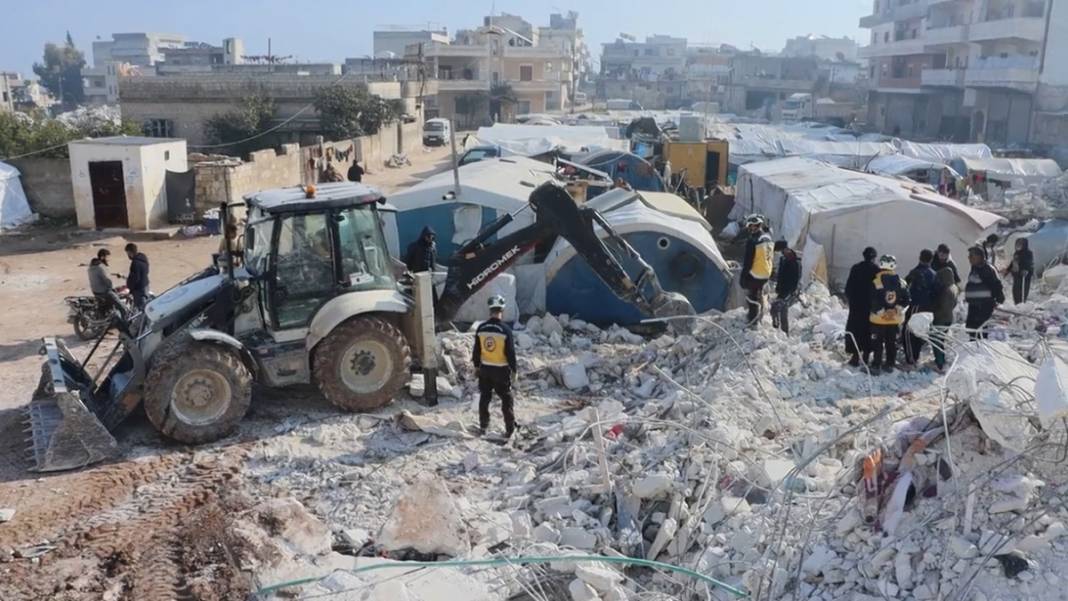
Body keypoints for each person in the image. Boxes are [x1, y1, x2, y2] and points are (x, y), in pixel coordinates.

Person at [472, 295, 517, 438]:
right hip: (501, 370)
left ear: (489, 309)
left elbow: (477, 350)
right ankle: (510, 429)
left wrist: (476, 366)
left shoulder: (481, 328)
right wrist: (514, 370)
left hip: (485, 369)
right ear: (502, 310)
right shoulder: (505, 330)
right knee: (506, 399)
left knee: (485, 397)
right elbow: (510, 352)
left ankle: (483, 426)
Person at [869, 255, 910, 374]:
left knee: (878, 342)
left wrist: (882, 311)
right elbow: (907, 299)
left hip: (879, 319)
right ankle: (890, 364)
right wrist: (897, 308)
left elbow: (872, 299)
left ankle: (876, 365)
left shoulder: (876, 281)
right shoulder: (901, 282)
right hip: (894, 319)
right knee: (891, 342)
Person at [845, 247, 880, 367]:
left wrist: (851, 301)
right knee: (868, 331)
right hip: (870, 307)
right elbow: (879, 289)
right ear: (874, 257)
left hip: (856, 306)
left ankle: (855, 357)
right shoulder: (876, 270)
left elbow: (848, 288)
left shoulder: (856, 268)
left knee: (855, 330)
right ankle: (866, 356)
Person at [903, 249, 938, 366]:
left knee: (908, 331)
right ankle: (916, 356)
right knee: (919, 331)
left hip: (916, 305)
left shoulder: (916, 272)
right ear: (931, 259)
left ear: (920, 257)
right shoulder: (934, 273)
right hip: (929, 308)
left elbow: (904, 284)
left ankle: (910, 359)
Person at [740, 214, 774, 327]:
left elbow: (748, 262)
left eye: (752, 226)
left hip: (756, 273)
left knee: (752, 295)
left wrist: (743, 277)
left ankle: (753, 319)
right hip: (766, 272)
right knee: (760, 293)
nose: (751, 229)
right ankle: (760, 315)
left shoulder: (752, 241)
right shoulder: (768, 237)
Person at [964, 246, 1005, 339]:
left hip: (984, 305)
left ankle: (980, 348)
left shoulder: (987, 269)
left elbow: (996, 285)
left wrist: (997, 299)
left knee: (981, 329)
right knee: (972, 329)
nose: (969, 258)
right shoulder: (974, 268)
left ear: (979, 257)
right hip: (974, 305)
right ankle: (973, 346)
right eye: (969, 256)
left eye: (972, 256)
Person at [931, 265, 959, 373]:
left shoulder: (946, 290)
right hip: (949, 317)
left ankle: (939, 363)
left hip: (941, 318)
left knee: (935, 340)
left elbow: (943, 306)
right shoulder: (954, 287)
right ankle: (941, 359)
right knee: (941, 339)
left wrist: (934, 312)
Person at [771, 241, 800, 335]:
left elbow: (796, 279)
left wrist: (792, 292)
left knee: (778, 309)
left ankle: (783, 332)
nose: (781, 253)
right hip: (782, 290)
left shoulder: (795, 262)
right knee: (779, 310)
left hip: (788, 291)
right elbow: (780, 275)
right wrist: (778, 287)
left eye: (781, 251)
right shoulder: (783, 259)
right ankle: (781, 332)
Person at [1004, 237, 1034, 305]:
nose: (1018, 246)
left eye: (1020, 244)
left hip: (1024, 275)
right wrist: (1008, 270)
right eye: (1017, 244)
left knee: (1023, 290)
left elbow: (1029, 263)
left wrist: (1026, 270)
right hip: (1016, 274)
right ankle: (1016, 303)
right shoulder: (1016, 253)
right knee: (1015, 290)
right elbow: (1013, 262)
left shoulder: (1028, 253)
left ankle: (1022, 303)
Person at [125, 243, 150, 310]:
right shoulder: (143, 258)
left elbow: (135, 278)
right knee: (146, 305)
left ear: (130, 252)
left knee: (141, 308)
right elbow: (147, 271)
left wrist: (130, 288)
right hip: (145, 285)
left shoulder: (135, 263)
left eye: (127, 253)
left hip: (139, 289)